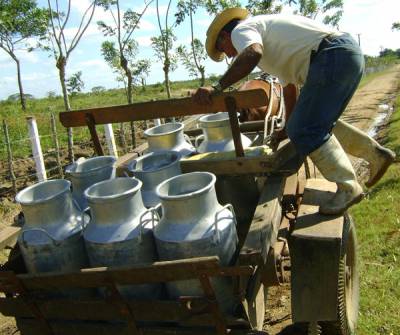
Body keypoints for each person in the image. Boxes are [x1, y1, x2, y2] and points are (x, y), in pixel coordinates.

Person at [193, 8, 374, 215]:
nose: (229, 55)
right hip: (346, 53)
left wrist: (217, 88)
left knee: (305, 129)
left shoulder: (241, 31)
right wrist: (288, 127)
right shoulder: (271, 43)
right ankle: (375, 155)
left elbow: (253, 52)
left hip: (331, 56)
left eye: (223, 49)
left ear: (225, 36)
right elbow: (289, 89)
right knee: (313, 122)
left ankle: (348, 188)